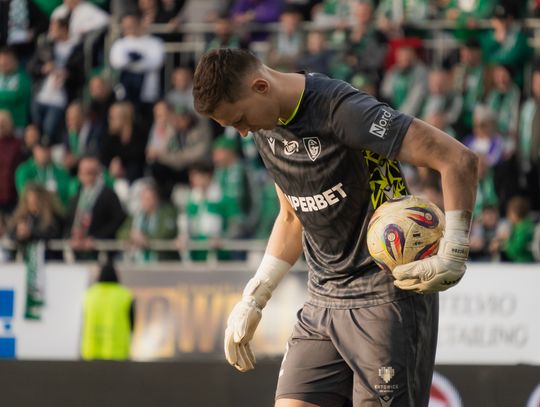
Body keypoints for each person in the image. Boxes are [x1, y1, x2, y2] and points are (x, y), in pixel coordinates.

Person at [192, 48, 478, 406]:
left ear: (261, 86)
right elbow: (291, 217)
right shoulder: (266, 127)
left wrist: (454, 250)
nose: (243, 132)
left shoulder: (342, 110)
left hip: (385, 300)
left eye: (239, 120)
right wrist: (255, 297)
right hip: (322, 301)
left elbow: (458, 159)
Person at [81, 261, 134, 360]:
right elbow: (132, 321)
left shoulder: (90, 294)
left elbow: (83, 318)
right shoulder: (124, 294)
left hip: (91, 349)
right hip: (117, 350)